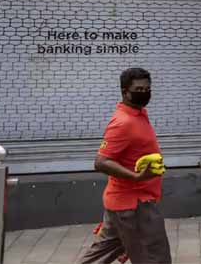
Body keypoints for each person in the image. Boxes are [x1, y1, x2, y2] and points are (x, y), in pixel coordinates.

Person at [79, 67, 172, 264]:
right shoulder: (123, 122)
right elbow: (101, 162)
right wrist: (136, 177)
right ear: (125, 92)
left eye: (147, 89)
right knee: (155, 259)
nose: (144, 93)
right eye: (139, 90)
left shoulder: (139, 114)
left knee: (99, 256)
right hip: (134, 208)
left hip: (125, 205)